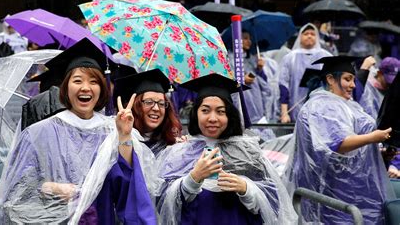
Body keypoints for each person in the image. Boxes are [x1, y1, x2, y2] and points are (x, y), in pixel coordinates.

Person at [0, 39, 157, 224]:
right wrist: (51, 187)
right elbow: (16, 191)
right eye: (77, 80)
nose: (85, 87)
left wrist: (124, 136)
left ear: (102, 88)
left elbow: (126, 189)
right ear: (66, 87)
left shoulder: (112, 131)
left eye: (94, 81)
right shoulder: (39, 133)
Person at [157, 73, 298, 224]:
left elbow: (272, 203)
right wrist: (193, 179)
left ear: (230, 116)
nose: (212, 118)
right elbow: (163, 204)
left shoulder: (248, 151)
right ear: (196, 114)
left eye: (220, 111)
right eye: (205, 110)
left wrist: (247, 188)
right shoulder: (180, 152)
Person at [284, 56, 394, 224]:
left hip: (350, 187)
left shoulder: (345, 104)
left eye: (354, 80)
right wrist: (373, 137)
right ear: (330, 79)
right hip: (330, 188)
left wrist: (379, 153)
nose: (353, 85)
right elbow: (337, 144)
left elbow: (354, 146)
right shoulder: (322, 106)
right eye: (347, 79)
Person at [114, 69, 182, 157]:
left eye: (161, 104)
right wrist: (124, 136)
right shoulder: (116, 138)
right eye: (149, 102)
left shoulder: (171, 143)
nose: (156, 108)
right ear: (135, 106)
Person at [279, 23, 332, 123]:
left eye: (312, 34)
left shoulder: (326, 57)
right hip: (294, 108)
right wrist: (284, 113)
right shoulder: (290, 58)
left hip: (322, 110)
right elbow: (283, 85)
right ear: (300, 36)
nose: (309, 36)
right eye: (306, 33)